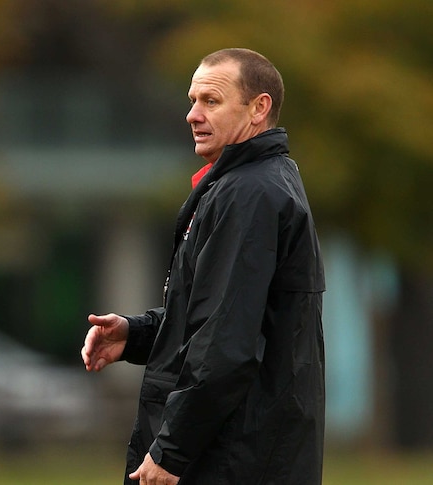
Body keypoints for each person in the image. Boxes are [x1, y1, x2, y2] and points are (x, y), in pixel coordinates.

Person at [81, 48, 325, 484]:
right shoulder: (249, 184)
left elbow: (225, 343)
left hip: (231, 461)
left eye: (210, 101)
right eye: (192, 100)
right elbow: (219, 317)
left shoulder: (249, 195)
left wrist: (171, 452)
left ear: (258, 108)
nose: (193, 115)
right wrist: (136, 335)